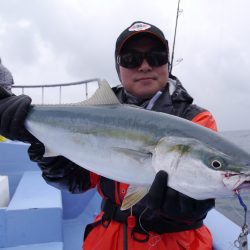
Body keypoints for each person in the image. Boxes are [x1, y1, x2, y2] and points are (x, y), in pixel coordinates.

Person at [0, 21, 217, 249]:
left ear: (168, 62)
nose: (144, 66)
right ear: (118, 67)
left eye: (156, 56)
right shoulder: (91, 116)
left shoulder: (196, 121)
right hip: (106, 237)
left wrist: (189, 209)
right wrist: (45, 146)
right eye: (131, 59)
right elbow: (78, 181)